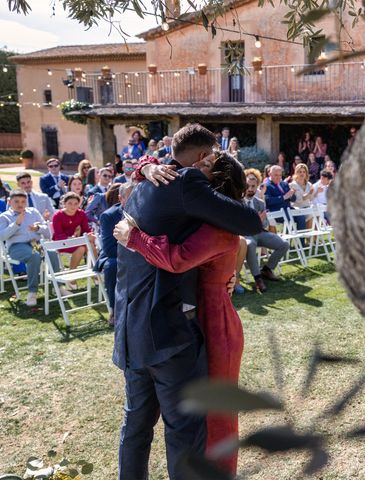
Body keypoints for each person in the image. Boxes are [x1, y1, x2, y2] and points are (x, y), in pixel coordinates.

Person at [110, 124, 262, 480]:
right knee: (184, 431)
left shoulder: (139, 188)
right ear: (200, 158)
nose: (210, 165)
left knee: (135, 427)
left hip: (131, 332)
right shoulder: (188, 183)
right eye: (209, 157)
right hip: (168, 334)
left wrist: (144, 164)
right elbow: (250, 222)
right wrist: (137, 240)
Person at [0, 190, 60, 306]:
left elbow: (47, 231)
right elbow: (2, 236)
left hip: (35, 243)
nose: (20, 204)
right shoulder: (4, 217)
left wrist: (38, 228)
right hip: (17, 246)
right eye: (16, 201)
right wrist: (16, 224)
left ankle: (58, 287)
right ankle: (32, 291)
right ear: (9, 201)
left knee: (52, 253)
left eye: (23, 201)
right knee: (34, 256)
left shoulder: (33, 212)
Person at [243, 169, 289, 292]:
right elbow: (238, 225)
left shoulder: (260, 203)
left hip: (260, 232)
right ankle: (257, 278)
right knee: (250, 244)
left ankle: (267, 270)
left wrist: (260, 221)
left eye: (253, 186)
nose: (250, 189)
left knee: (284, 244)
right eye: (248, 186)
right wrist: (255, 220)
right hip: (245, 235)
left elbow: (265, 224)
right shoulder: (237, 201)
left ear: (257, 186)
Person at [95, 182, 134, 324]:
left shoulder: (145, 210)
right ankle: (114, 310)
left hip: (141, 252)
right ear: (120, 198)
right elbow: (109, 249)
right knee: (113, 266)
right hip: (114, 255)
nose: (134, 200)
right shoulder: (109, 216)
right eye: (130, 197)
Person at [51, 192, 93, 277]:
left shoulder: (81, 213)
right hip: (62, 242)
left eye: (76, 204)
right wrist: (71, 238)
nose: (73, 206)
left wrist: (90, 235)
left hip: (77, 241)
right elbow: (59, 234)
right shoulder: (57, 216)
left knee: (92, 245)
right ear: (64, 203)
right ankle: (71, 275)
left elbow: (86, 229)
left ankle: (95, 272)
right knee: (81, 248)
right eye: (70, 203)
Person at [290, 164, 315, 229]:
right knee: (311, 214)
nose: (302, 174)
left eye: (304, 172)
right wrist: (309, 194)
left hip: (307, 207)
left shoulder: (309, 184)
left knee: (316, 213)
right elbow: (298, 200)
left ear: (306, 173)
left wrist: (310, 194)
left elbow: (311, 198)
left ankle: (312, 237)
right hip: (297, 208)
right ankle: (308, 237)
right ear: (296, 173)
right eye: (300, 172)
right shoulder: (292, 185)